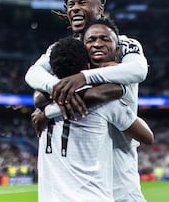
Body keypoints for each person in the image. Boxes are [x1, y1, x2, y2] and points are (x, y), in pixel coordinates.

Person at [24, 0, 149, 202]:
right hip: (80, 171)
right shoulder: (62, 50)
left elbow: (139, 71)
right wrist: (58, 90)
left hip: (119, 169)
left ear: (99, 9)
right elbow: (33, 75)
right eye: (71, 4)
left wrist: (83, 78)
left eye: (82, 2)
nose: (74, 8)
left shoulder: (122, 44)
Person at [34, 35, 153, 202]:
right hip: (100, 194)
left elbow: (34, 84)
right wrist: (121, 87)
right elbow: (147, 136)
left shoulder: (43, 105)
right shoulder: (105, 103)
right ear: (88, 65)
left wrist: (49, 112)